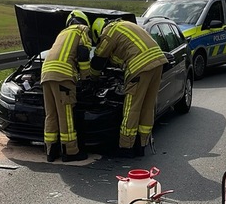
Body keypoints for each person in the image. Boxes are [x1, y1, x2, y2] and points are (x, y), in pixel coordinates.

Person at [90, 18, 167, 158]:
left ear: (99, 31)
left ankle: (126, 146)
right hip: (158, 61)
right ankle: (141, 145)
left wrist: (92, 78)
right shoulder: (126, 25)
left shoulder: (109, 31)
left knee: (132, 107)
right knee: (147, 106)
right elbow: (123, 53)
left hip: (140, 65)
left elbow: (99, 58)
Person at [41, 10, 93, 162]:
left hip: (46, 74)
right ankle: (70, 152)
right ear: (84, 22)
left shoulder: (62, 33)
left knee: (51, 114)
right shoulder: (82, 30)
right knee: (66, 114)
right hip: (63, 76)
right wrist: (86, 78)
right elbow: (83, 53)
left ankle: (51, 151)